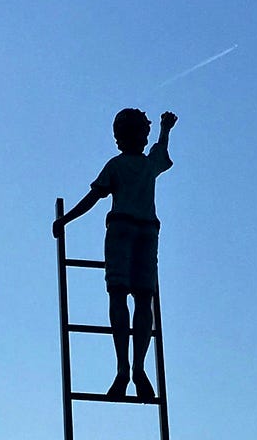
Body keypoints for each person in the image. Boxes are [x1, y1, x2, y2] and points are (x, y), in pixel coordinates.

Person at [53, 108, 177, 399]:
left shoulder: (134, 165)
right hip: (135, 231)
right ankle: (128, 369)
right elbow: (94, 197)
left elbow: (95, 196)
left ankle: (133, 368)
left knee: (137, 298)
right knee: (128, 297)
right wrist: (66, 220)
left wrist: (165, 129)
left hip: (138, 231)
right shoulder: (125, 165)